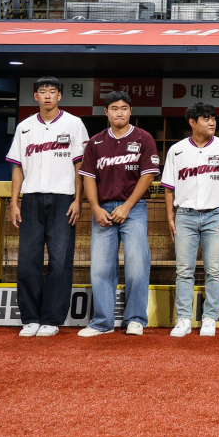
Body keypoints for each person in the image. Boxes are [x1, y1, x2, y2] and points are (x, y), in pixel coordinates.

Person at [6, 76, 88, 338]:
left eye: (53, 91)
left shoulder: (74, 123)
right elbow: (17, 166)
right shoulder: (25, 126)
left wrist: (78, 199)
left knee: (60, 260)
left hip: (63, 198)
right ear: (36, 97)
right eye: (43, 92)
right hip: (31, 199)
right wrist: (14, 202)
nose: (48, 96)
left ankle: (52, 319)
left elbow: (81, 166)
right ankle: (30, 318)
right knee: (28, 260)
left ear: (60, 96)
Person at [77, 91, 159, 337]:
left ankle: (135, 319)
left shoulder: (144, 138)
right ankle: (102, 322)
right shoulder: (96, 142)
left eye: (124, 108)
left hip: (133, 210)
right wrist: (94, 207)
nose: (119, 112)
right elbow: (88, 177)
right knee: (101, 268)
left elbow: (148, 175)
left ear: (130, 111)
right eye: (114, 108)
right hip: (102, 209)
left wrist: (127, 206)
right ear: (106, 112)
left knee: (136, 265)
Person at [162, 102, 219, 339]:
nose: (212, 122)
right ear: (192, 123)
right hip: (184, 214)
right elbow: (168, 187)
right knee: (183, 270)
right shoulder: (176, 149)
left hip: (216, 213)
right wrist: (170, 216)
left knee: (214, 269)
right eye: (206, 119)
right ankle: (184, 318)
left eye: (213, 118)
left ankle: (209, 318)